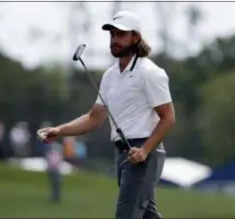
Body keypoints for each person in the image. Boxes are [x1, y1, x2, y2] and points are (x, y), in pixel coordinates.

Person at [37, 10, 175, 219]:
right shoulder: (110, 75)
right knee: (147, 216)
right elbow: (94, 118)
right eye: (112, 35)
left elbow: (168, 118)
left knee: (126, 215)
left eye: (121, 35)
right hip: (123, 154)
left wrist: (145, 150)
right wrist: (60, 131)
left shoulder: (150, 73)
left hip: (144, 154)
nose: (114, 40)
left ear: (135, 37)